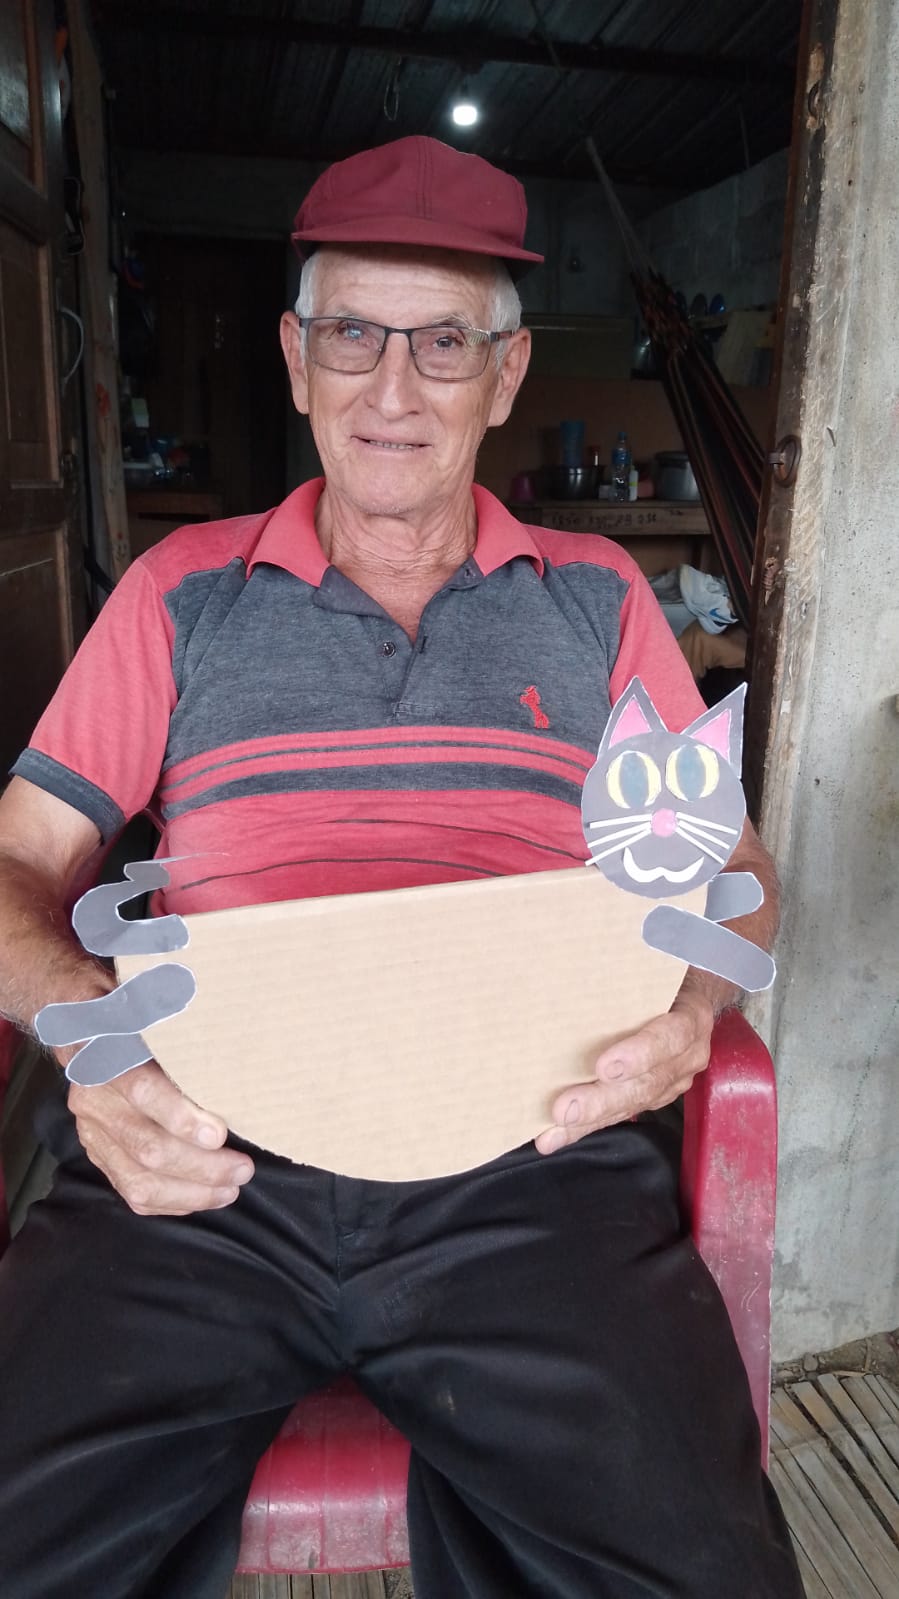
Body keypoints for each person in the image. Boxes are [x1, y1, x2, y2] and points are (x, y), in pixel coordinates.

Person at [0, 136, 801, 1598]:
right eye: (354, 335)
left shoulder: (598, 598)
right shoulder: (179, 593)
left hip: (532, 1163)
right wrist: (94, 1047)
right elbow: (15, 864)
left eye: (444, 343)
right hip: (206, 1160)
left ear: (506, 376)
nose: (392, 389)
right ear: (295, 359)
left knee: (698, 1571)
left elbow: (730, 864)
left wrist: (696, 1010)